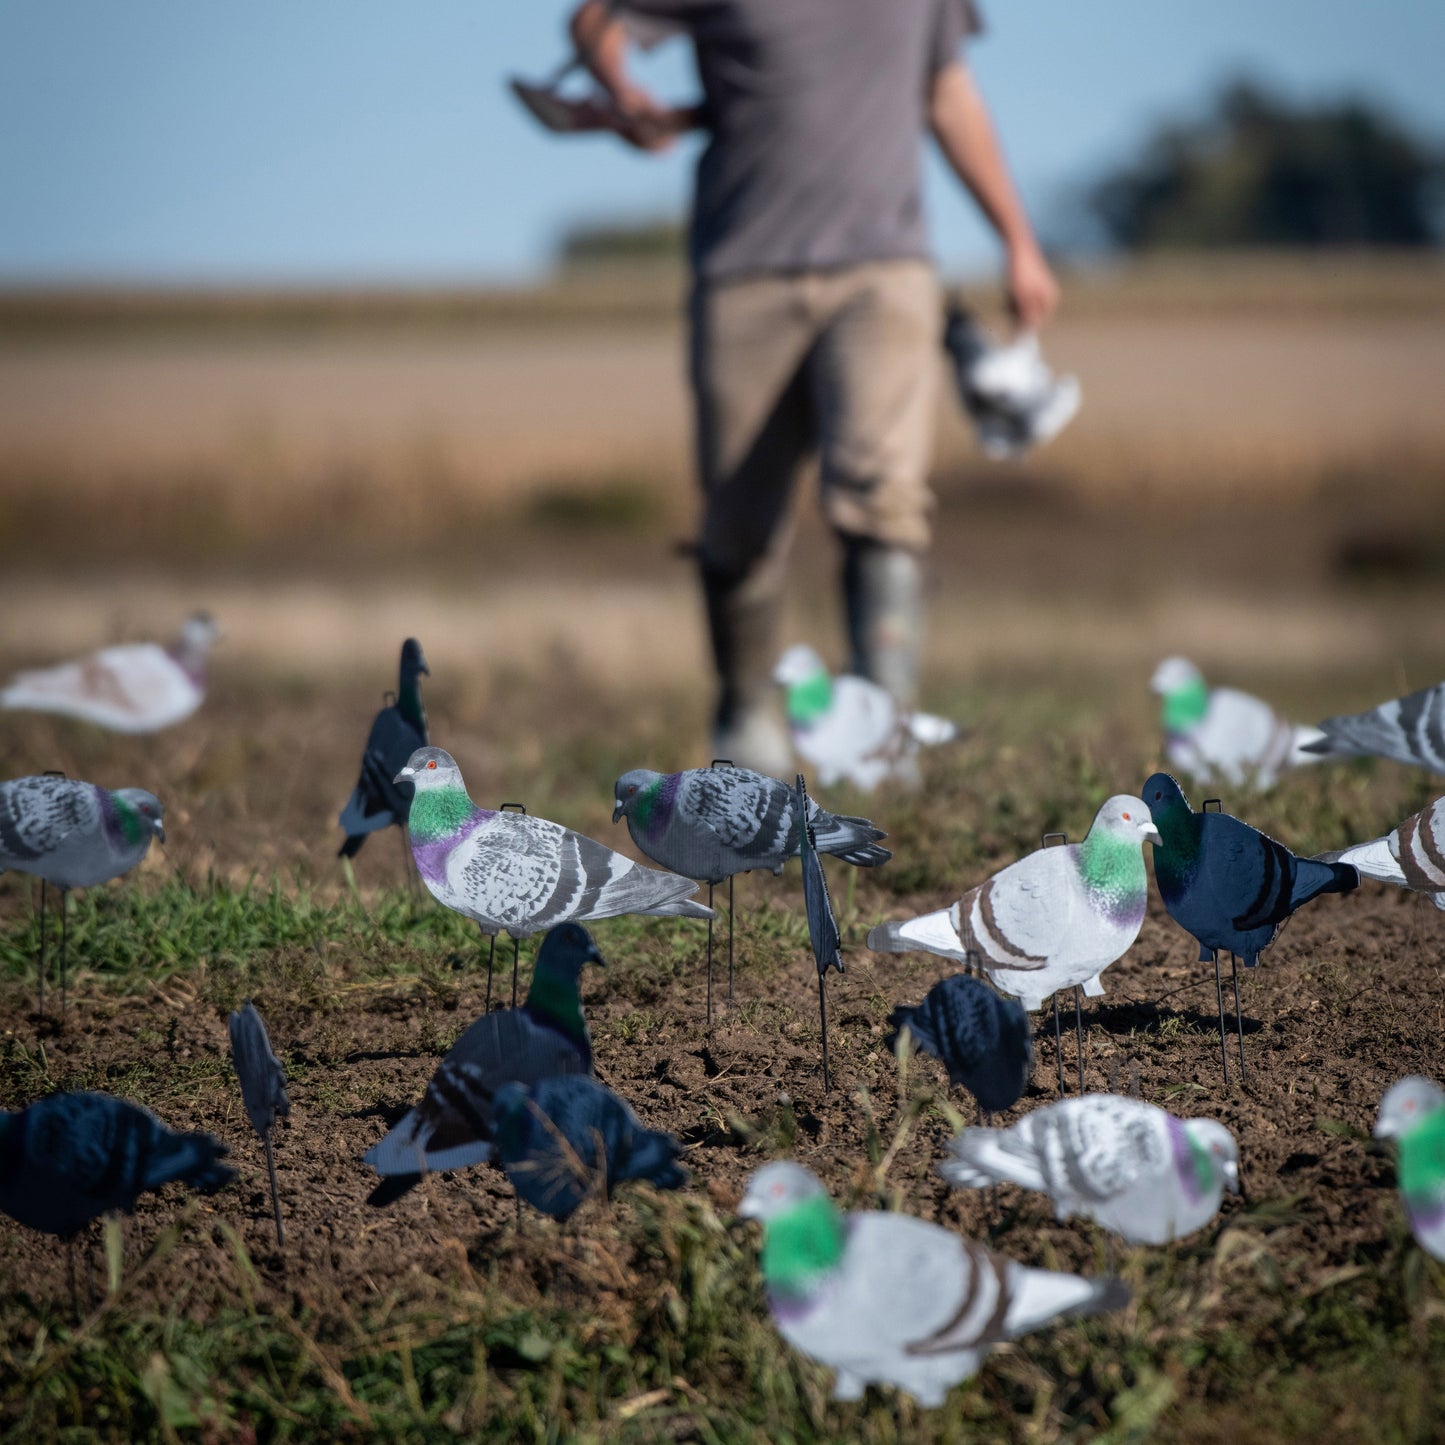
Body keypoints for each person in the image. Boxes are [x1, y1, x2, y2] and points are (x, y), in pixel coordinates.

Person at [567, 0, 1059, 775]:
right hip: (742, 272)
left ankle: (882, 728)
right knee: (736, 518)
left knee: (882, 493)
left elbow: (947, 93)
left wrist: (1017, 240)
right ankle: (745, 712)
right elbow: (596, 21)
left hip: (884, 268)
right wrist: (625, 96)